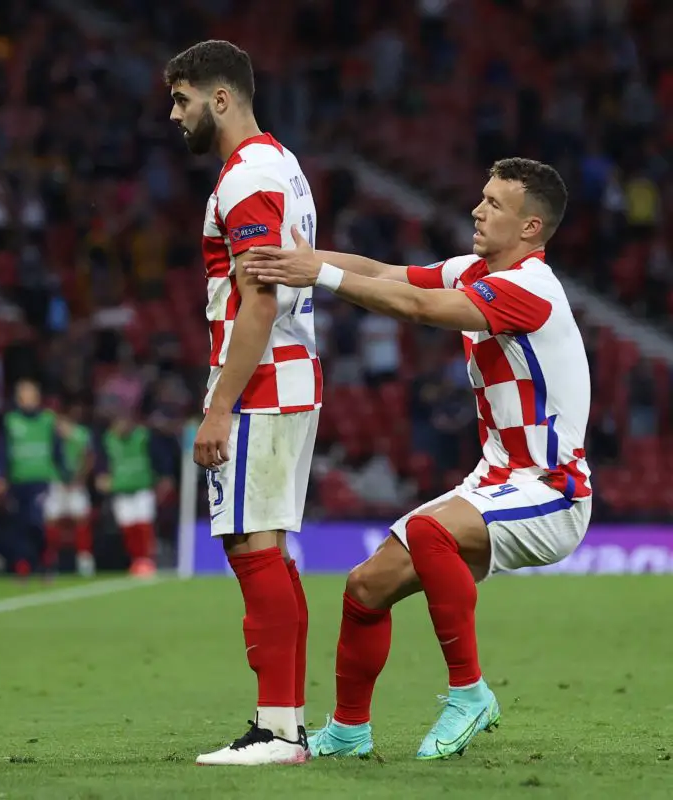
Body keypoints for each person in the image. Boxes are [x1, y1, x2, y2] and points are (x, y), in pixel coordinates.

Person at [244, 157, 590, 760]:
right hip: (496, 480)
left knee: (432, 531)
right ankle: (349, 731)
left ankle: (470, 693)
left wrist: (319, 274)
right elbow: (384, 273)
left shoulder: (529, 289)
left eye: (495, 205)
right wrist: (307, 262)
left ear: (531, 228)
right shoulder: (475, 270)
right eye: (481, 197)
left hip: (551, 490)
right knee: (365, 587)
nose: (477, 210)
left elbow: (419, 310)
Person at [165, 40, 320, 766]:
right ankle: (288, 724)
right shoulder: (278, 163)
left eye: (182, 99)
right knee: (263, 548)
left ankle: (278, 731)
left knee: (255, 547)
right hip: (283, 376)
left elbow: (258, 298)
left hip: (262, 381)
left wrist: (220, 404)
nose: (175, 115)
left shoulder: (247, 176)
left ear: (220, 98)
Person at [0, 378, 62, 577]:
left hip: (42, 479)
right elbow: (3, 450)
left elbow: (57, 449)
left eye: (31, 395)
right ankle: (23, 564)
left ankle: (45, 558)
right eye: (23, 396)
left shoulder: (47, 420)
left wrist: (65, 474)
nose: (27, 400)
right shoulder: (11, 421)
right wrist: (1, 475)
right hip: (18, 480)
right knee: (20, 523)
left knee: (37, 521)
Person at [94, 408, 162, 577]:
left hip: (142, 488)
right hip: (121, 490)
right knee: (128, 528)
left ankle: (147, 560)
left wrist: (160, 479)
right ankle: (136, 560)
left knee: (144, 526)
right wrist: (101, 476)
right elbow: (102, 462)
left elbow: (157, 459)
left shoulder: (143, 436)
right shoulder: (108, 440)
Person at [43, 402, 96, 577]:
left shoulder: (82, 434)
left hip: (76, 484)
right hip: (56, 483)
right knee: (51, 520)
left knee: (81, 519)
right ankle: (51, 561)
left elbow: (88, 457)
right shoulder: (50, 437)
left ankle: (85, 561)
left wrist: (79, 479)